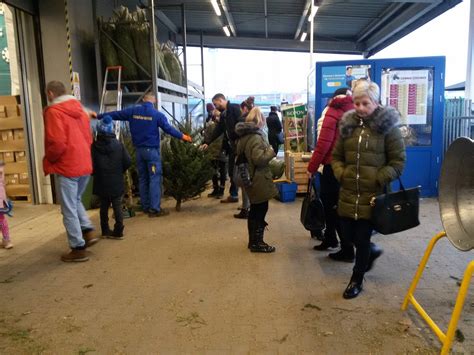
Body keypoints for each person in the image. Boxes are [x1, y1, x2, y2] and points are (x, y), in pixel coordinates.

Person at [332, 81, 406, 299]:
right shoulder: (347, 125)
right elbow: (336, 156)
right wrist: (341, 173)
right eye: (356, 103)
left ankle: (357, 278)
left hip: (372, 195)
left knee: (362, 238)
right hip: (348, 191)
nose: (360, 108)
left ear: (376, 102)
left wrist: (378, 178)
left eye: (365, 103)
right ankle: (371, 251)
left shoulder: (388, 128)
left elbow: (398, 161)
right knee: (346, 233)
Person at [97, 93, 192, 217]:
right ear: (154, 101)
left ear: (143, 99)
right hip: (151, 152)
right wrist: (184, 136)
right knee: (154, 178)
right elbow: (168, 129)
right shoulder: (157, 115)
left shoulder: (132, 111)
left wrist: (99, 115)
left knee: (143, 178)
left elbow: (116, 114)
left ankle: (146, 206)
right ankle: (154, 209)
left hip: (139, 152)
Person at [43, 80, 99, 262]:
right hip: (84, 163)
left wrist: (49, 159)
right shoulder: (80, 111)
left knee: (68, 208)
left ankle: (77, 248)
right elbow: (88, 138)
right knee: (75, 200)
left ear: (50, 94)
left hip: (67, 165)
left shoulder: (54, 112)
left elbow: (57, 142)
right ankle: (88, 231)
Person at [307, 88, 354, 256]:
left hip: (332, 166)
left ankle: (346, 248)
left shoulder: (332, 111)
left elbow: (323, 143)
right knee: (342, 206)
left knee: (331, 205)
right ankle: (331, 238)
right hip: (351, 167)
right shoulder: (355, 110)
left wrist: (312, 167)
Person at [235, 107, 277, 253]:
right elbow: (259, 160)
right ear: (260, 121)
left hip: (249, 177)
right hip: (258, 178)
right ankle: (257, 242)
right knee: (260, 209)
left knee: (254, 209)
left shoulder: (243, 137)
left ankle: (253, 240)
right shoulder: (256, 138)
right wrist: (271, 151)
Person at [92, 115, 132, 239]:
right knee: (117, 205)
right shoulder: (118, 145)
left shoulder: (93, 147)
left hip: (101, 181)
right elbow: (128, 161)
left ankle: (105, 230)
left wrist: (95, 173)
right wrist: (119, 170)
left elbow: (90, 164)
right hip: (116, 180)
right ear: (112, 129)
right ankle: (118, 230)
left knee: (103, 206)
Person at [201, 93, 243, 204]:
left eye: (215, 104)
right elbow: (218, 130)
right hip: (232, 148)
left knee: (238, 172)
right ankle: (233, 195)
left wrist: (239, 139)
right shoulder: (224, 115)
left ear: (220, 100)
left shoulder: (234, 108)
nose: (215, 107)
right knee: (231, 172)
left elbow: (242, 123)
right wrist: (207, 142)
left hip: (239, 146)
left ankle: (240, 199)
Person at [234, 96, 255, 219]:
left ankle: (246, 208)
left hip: (243, 158)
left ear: (244, 108)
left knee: (244, 182)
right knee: (248, 183)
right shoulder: (256, 125)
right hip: (250, 158)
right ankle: (247, 207)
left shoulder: (242, 123)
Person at [203, 107, 227, 199]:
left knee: (215, 171)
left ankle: (217, 189)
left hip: (216, 152)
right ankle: (220, 190)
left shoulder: (211, 126)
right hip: (220, 152)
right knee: (221, 171)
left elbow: (206, 138)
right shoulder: (224, 126)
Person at [0, 162, 13, 249]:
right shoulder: (1, 169)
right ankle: (7, 240)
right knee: (2, 219)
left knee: (1, 219)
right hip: (1, 199)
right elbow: (3, 183)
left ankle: (6, 240)